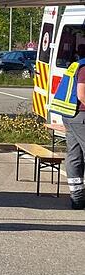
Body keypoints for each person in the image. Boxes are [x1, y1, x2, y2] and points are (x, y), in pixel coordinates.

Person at [48, 42, 85, 209]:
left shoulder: (76, 65)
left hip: (70, 115)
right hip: (81, 115)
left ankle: (77, 197)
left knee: (74, 155)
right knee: (76, 155)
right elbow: (82, 94)